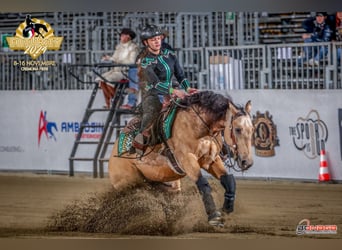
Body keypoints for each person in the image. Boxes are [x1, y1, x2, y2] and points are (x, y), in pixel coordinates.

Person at [132, 24, 197, 155]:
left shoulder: (170, 54)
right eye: (152, 40)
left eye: (158, 38)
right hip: (152, 94)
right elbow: (154, 83)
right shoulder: (145, 61)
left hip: (174, 90)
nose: (156, 42)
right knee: (152, 112)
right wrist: (173, 91)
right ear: (146, 43)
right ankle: (139, 144)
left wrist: (188, 88)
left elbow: (180, 74)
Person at [95, 28, 140, 109]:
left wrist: (114, 60)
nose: (121, 37)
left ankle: (115, 101)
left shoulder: (133, 47)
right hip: (115, 70)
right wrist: (108, 59)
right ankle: (109, 102)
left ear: (128, 37)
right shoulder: (119, 47)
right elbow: (114, 58)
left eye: (123, 35)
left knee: (108, 80)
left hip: (124, 72)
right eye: (121, 36)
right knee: (100, 80)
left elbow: (131, 61)